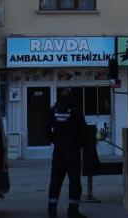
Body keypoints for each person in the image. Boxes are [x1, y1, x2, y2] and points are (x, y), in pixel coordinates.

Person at [47, 88, 88, 217]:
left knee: (55, 182)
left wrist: (55, 141)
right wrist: (79, 145)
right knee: (75, 182)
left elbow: (45, 130)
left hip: (58, 153)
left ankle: (52, 211)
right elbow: (84, 131)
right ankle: (72, 211)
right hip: (73, 153)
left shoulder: (53, 110)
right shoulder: (76, 111)